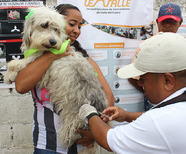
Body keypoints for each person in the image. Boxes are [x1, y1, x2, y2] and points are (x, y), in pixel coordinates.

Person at [78, 33, 186, 154]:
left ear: (167, 81)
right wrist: (127, 115)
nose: (140, 84)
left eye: (143, 79)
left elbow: (107, 139)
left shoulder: (160, 123)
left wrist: (89, 112)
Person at [15, 4, 115, 154]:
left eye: (80, 26)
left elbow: (109, 97)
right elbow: (20, 86)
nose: (77, 31)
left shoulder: (84, 60)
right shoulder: (36, 58)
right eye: (72, 24)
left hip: (83, 147)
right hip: (47, 146)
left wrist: (96, 132)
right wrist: (53, 54)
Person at [129, 3, 186, 110]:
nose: (168, 25)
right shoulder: (147, 45)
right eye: (164, 21)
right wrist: (151, 91)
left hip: (179, 102)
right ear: (157, 22)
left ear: (180, 22)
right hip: (156, 102)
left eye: (172, 22)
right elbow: (133, 77)